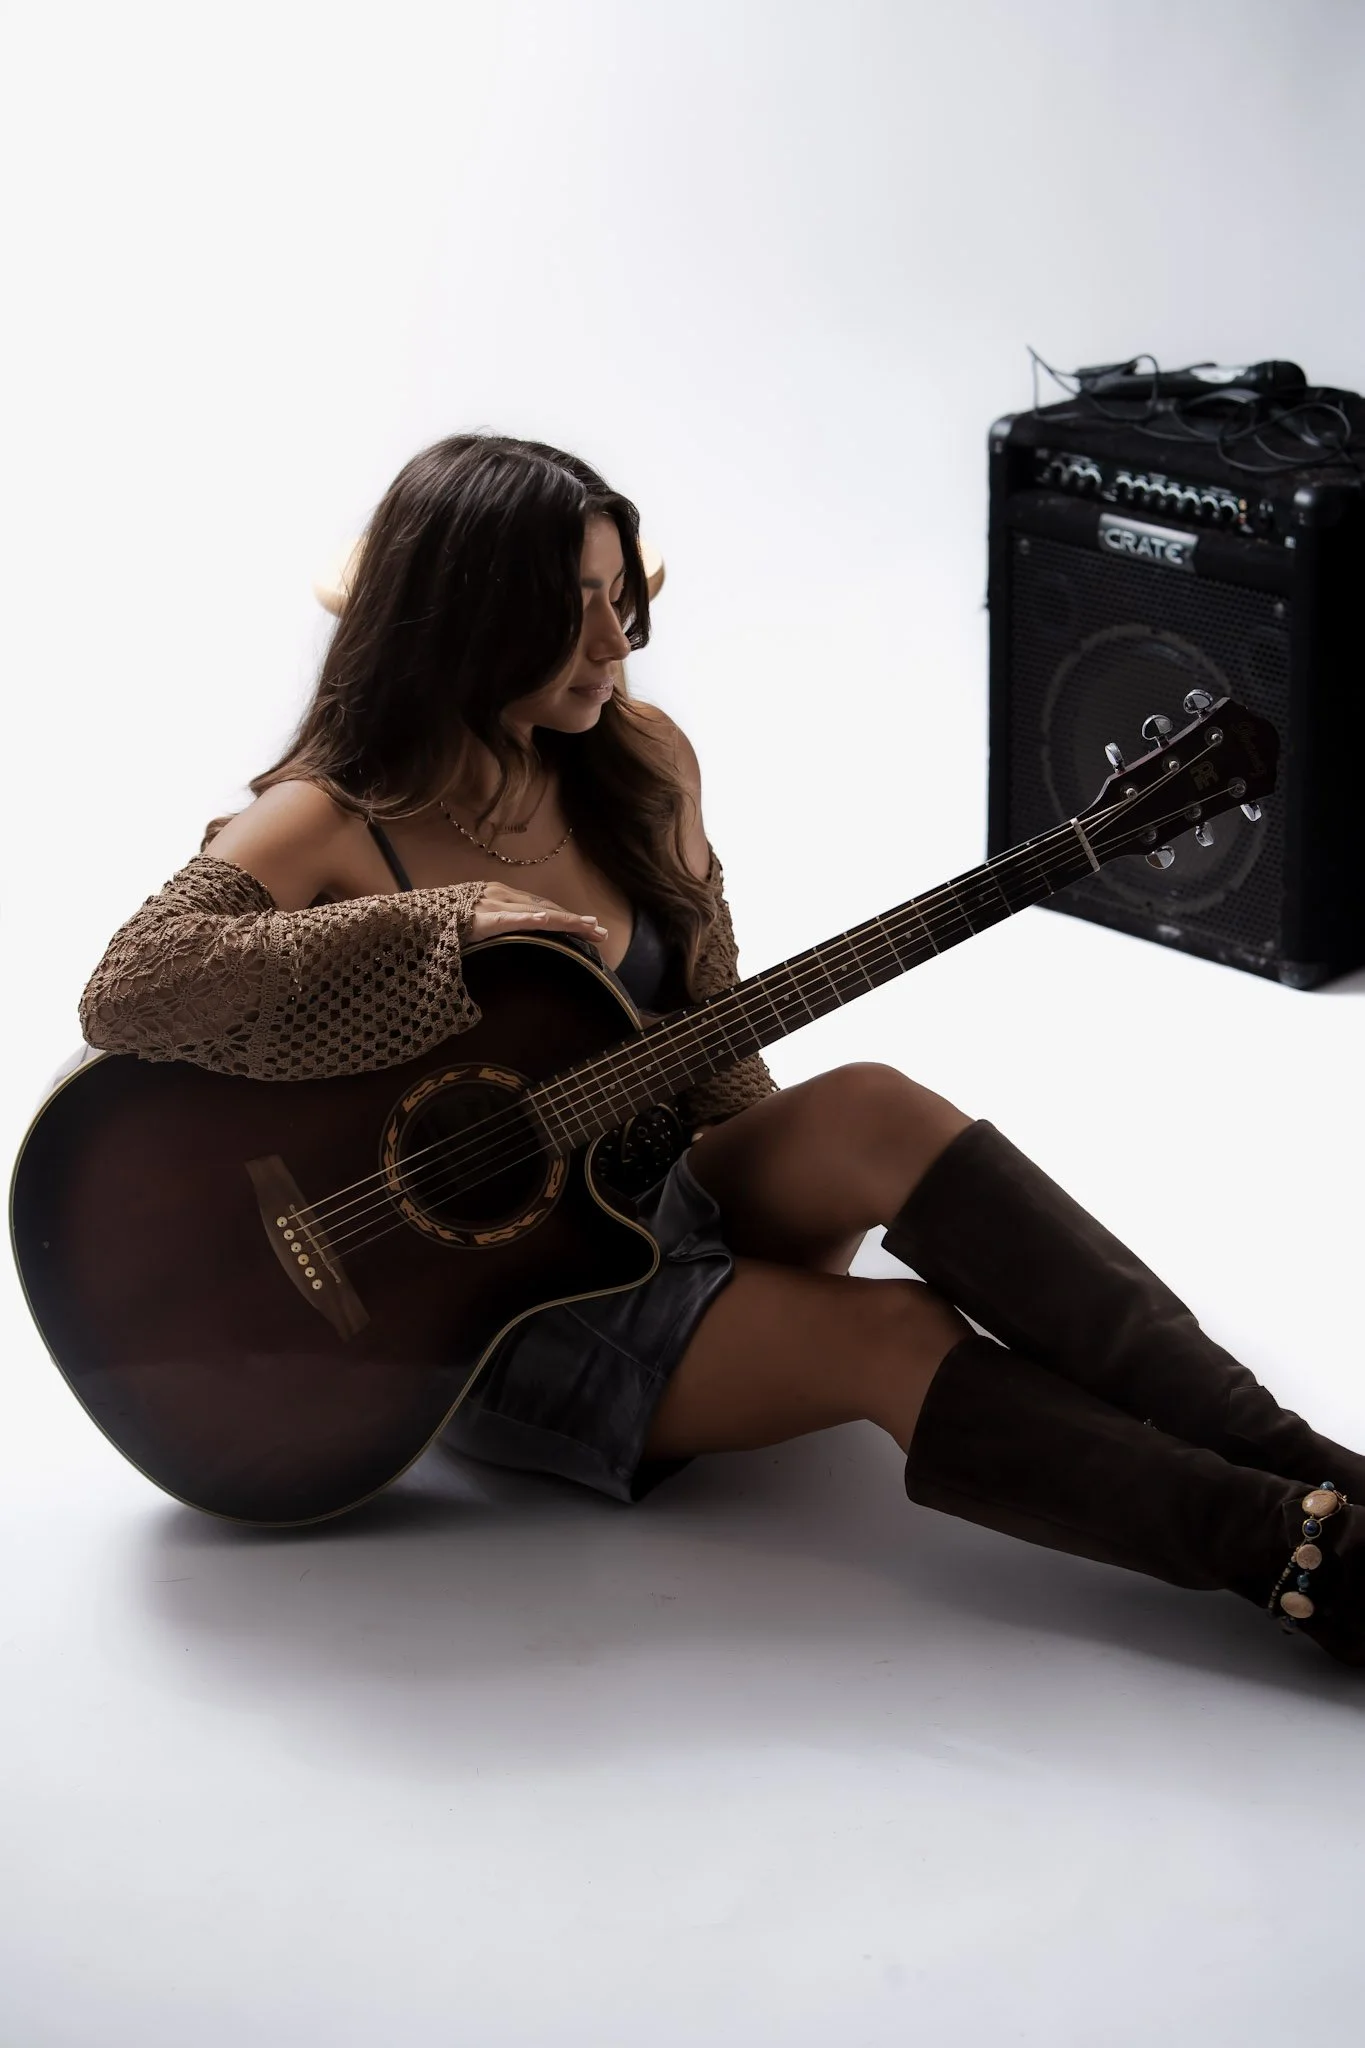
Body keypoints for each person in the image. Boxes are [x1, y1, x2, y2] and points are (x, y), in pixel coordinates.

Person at [77, 431, 1365, 1668]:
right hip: (490, 1308)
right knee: (895, 1334)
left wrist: (776, 1184)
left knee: (865, 1105)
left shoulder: (632, 763)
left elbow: (711, 1023)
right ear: (460, 619)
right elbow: (130, 993)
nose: (614, 642)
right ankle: (1301, 1563)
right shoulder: (327, 824)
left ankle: (1296, 1456)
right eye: (570, 606)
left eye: (618, 597)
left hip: (646, 1193)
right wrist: (438, 926)